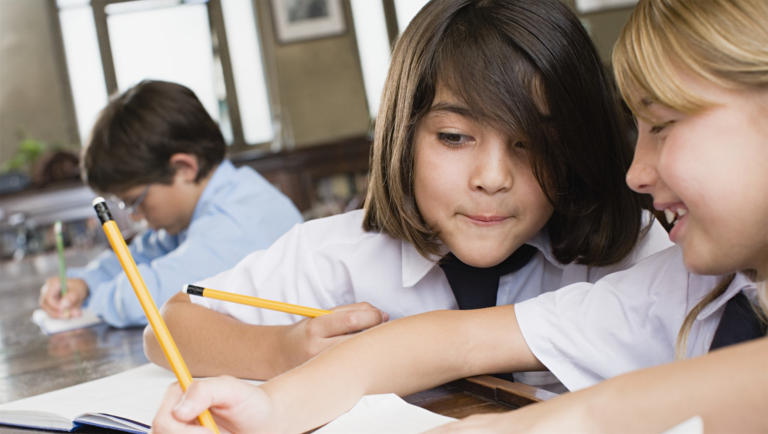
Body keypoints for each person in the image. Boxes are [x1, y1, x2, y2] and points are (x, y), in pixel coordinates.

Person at [150, 0, 768, 432]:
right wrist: (275, 391)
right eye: (453, 136)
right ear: (401, 135)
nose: (492, 177)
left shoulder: (653, 259)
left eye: (663, 126)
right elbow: (456, 341)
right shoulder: (684, 285)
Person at [38, 80, 303, 328]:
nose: (137, 216)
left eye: (136, 202)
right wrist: (84, 282)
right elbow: (140, 256)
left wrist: (86, 305)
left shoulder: (240, 219)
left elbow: (152, 298)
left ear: (184, 168)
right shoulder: (202, 207)